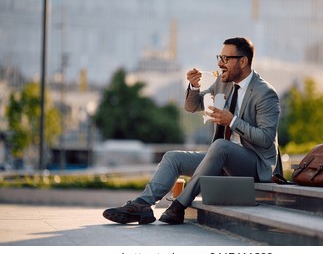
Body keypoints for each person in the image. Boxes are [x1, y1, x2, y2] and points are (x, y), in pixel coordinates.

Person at [102, 36, 282, 225]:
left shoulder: (265, 93)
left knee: (221, 146)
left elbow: (266, 138)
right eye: (219, 58)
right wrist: (194, 87)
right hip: (221, 158)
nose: (220, 63)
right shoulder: (223, 82)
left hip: (255, 165)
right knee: (173, 158)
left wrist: (233, 121)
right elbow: (193, 106)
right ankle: (142, 206)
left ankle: (179, 205)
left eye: (225, 59)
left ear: (243, 61)